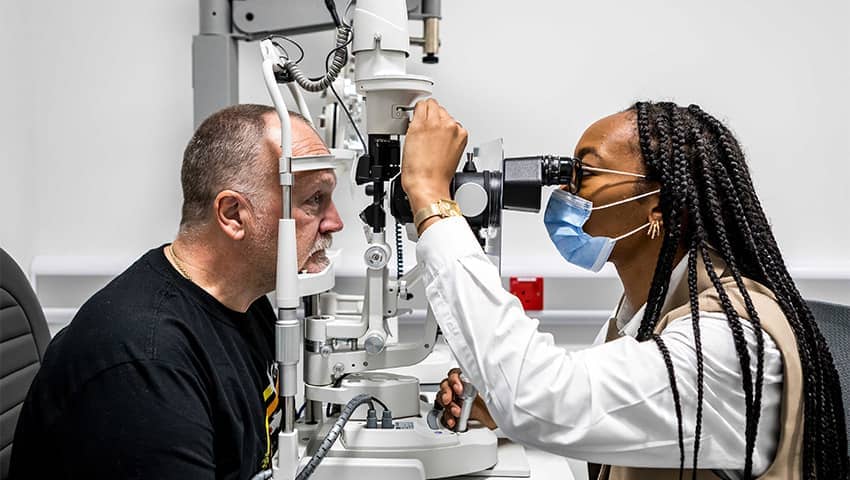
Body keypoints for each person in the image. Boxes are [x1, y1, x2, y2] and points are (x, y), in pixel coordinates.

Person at [401, 99, 848, 479]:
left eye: (585, 173)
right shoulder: (647, 313)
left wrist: (430, 195)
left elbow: (544, 399)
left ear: (659, 203)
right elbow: (586, 404)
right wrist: (495, 406)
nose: (563, 190)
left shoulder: (725, 344)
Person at [10, 104, 344, 479]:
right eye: (314, 200)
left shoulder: (245, 303)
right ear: (233, 214)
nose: (335, 223)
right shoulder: (146, 362)